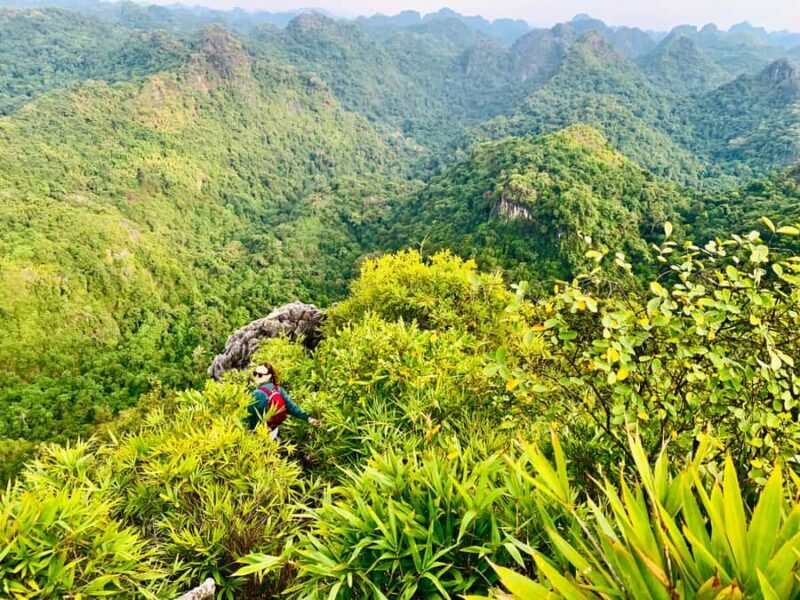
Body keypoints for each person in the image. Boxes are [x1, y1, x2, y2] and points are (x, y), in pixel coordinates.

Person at [247, 363, 320, 440]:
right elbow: (292, 407)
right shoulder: (278, 389)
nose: (256, 377)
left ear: (269, 376)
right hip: (274, 431)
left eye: (260, 375)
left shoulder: (257, 394)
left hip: (260, 436)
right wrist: (308, 418)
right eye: (255, 373)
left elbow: (248, 417)